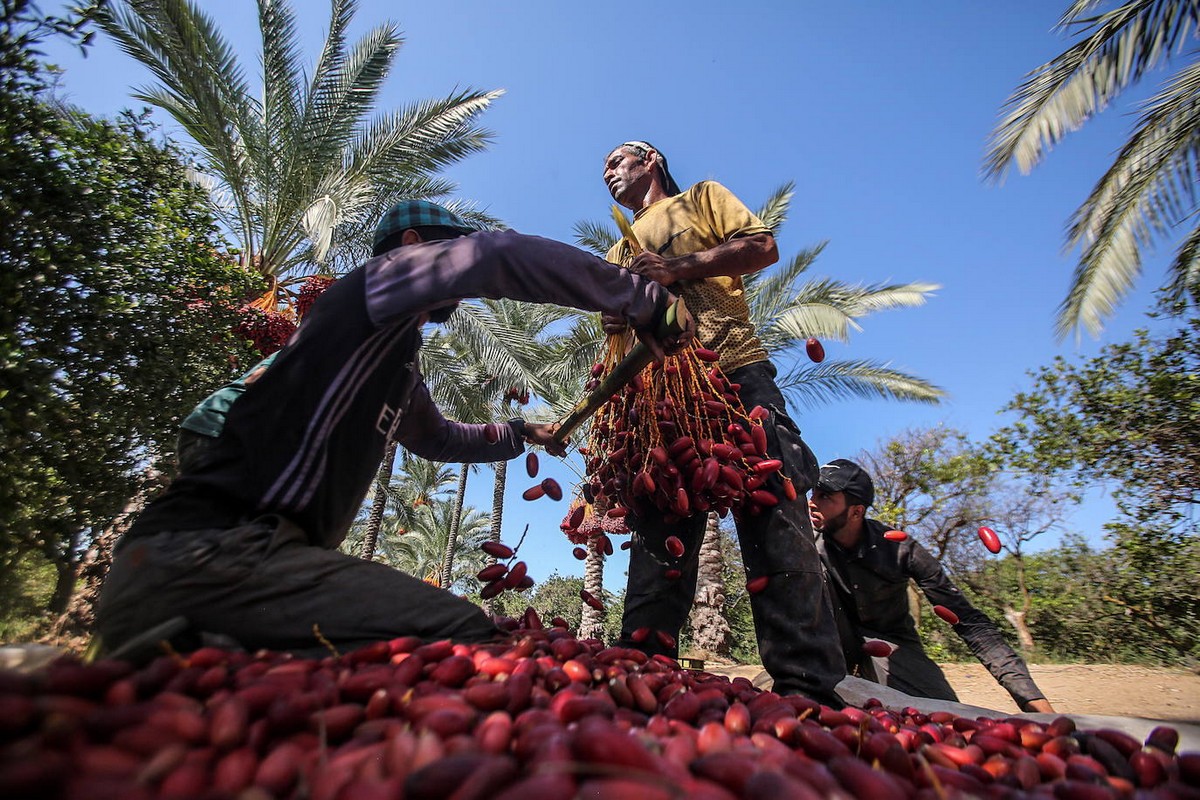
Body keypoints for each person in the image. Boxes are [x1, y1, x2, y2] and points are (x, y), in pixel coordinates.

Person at [97, 199, 692, 660]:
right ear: (412, 248)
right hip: (218, 552)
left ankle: (188, 657)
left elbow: (435, 438)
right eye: (448, 252)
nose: (457, 284)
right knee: (467, 644)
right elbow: (495, 258)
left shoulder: (387, 358)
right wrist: (641, 297)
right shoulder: (373, 285)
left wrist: (521, 432)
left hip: (239, 562)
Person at [600, 141, 846, 702]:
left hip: (733, 372)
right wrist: (616, 314)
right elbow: (616, 326)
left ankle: (809, 686)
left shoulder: (703, 198)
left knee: (774, 515)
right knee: (660, 530)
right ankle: (640, 676)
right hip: (663, 398)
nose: (609, 173)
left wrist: (675, 268)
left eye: (618, 161)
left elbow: (762, 247)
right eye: (606, 170)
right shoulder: (619, 248)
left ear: (651, 160)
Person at [808, 458, 1055, 713]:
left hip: (891, 644)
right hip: (828, 642)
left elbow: (968, 621)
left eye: (824, 496)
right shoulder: (805, 542)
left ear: (856, 511)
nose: (811, 502)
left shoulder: (902, 550)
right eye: (812, 493)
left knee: (942, 716)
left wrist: (1030, 697)